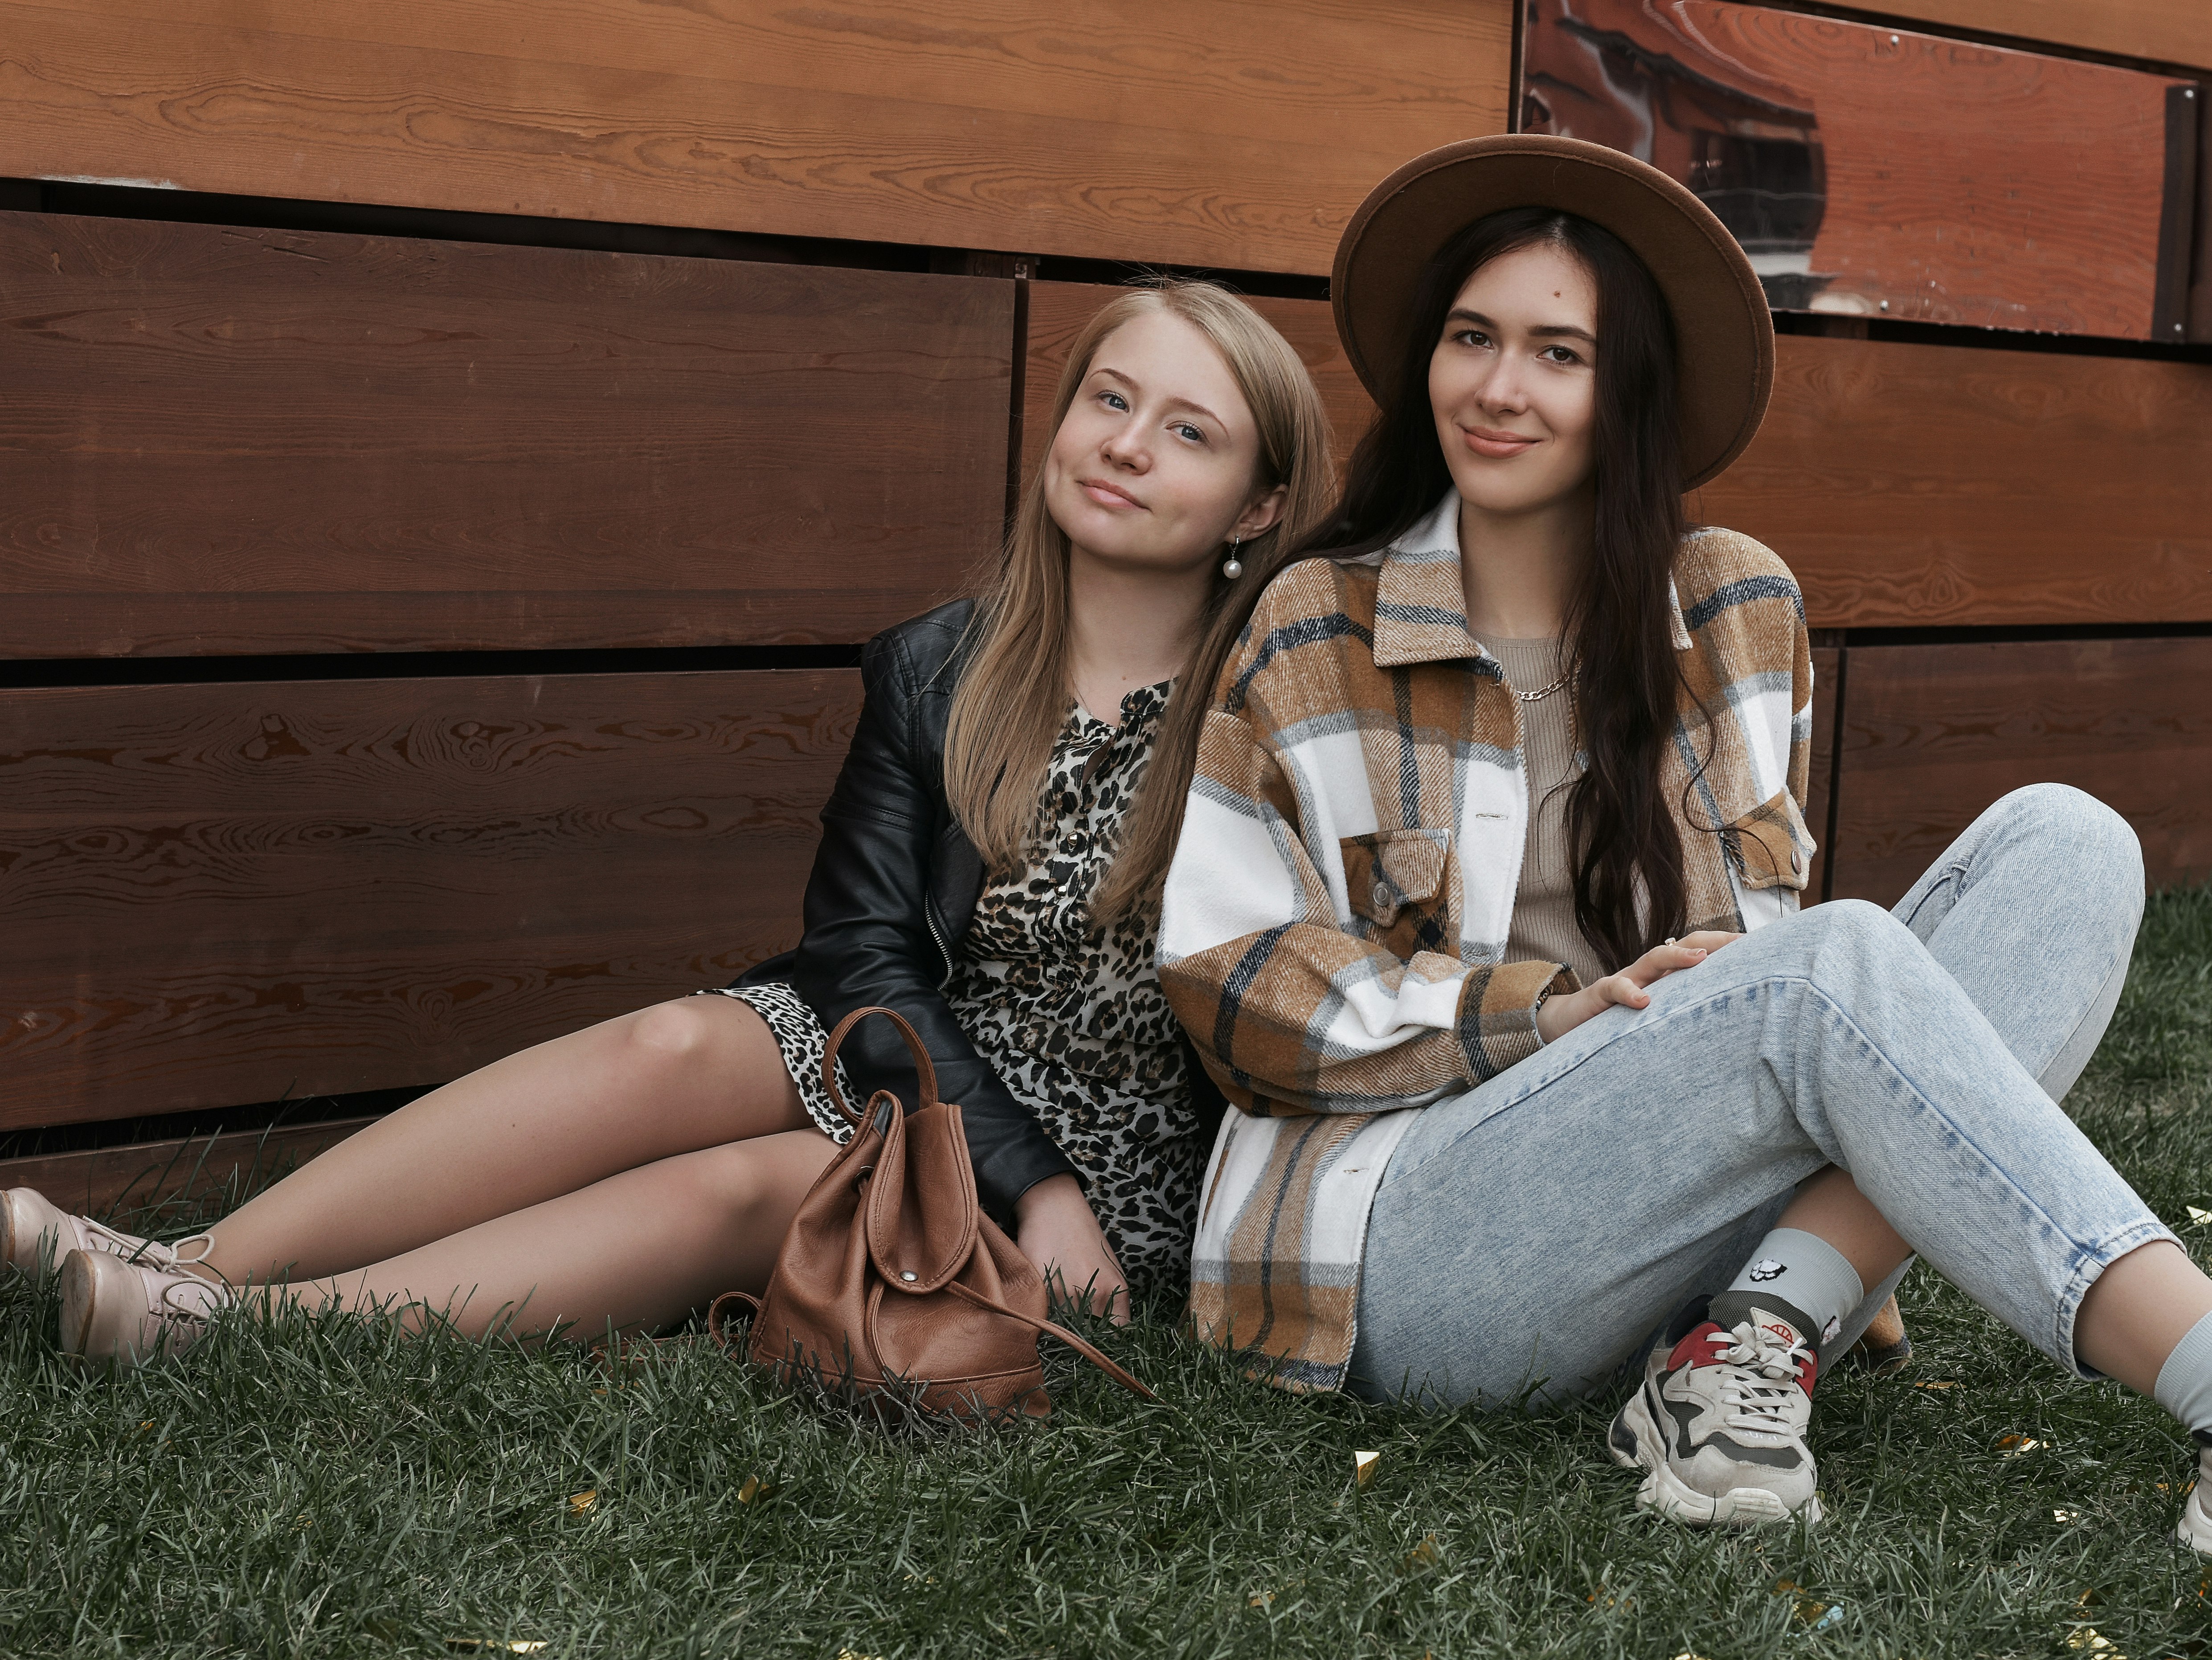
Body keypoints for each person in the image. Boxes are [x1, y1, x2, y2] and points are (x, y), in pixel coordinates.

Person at [1153, 135, 2212, 1599]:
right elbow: (1228, 985)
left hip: (1673, 1221)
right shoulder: (1318, 625)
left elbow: (1764, 951)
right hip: (1415, 1254)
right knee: (1830, 967)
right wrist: (1533, 1017)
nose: (1499, 386)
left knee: (2073, 843)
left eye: (1559, 351)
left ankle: (1751, 1337)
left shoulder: (1735, 605)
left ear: (1630, 395)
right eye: (1474, 338)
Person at [8, 279, 1333, 1368]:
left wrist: (1046, 1197)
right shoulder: (942, 667)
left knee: (748, 1187)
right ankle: (181, 1263)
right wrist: (989, 1150)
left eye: (1188, 432)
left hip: (1104, 1187)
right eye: (1111, 399)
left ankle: (235, 1334)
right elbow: (857, 951)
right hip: (913, 1060)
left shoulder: (1269, 710)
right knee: (676, 1038)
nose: (1125, 443)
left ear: (1260, 507)